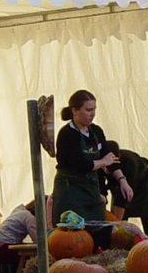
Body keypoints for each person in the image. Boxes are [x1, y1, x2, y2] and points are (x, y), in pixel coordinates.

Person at [52, 89, 130, 224]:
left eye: (94, 109)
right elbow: (80, 165)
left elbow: (109, 157)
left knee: (97, 227)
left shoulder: (96, 131)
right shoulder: (67, 134)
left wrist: (122, 180)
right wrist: (103, 162)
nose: (92, 114)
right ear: (75, 110)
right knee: (73, 230)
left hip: (91, 190)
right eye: (88, 110)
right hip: (70, 190)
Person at [102, 140, 148, 235]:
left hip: (144, 186)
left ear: (118, 158)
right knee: (118, 222)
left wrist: (116, 225)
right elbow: (100, 184)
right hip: (118, 186)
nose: (107, 169)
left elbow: (121, 199)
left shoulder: (130, 163)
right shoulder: (98, 163)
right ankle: (119, 239)